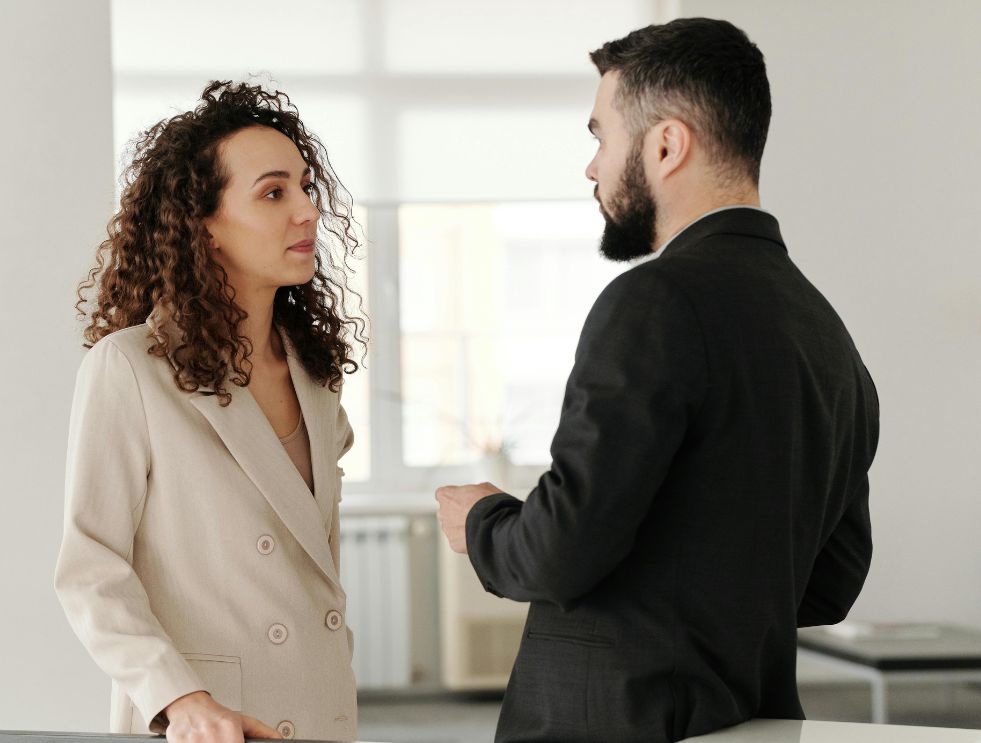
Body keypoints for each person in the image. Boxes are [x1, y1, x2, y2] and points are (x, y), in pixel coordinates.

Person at [435, 18, 879, 743]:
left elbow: (556, 553)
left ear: (666, 145)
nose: (591, 167)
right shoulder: (827, 334)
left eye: (599, 137)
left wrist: (480, 522)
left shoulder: (653, 300)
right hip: (750, 721)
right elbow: (830, 581)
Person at [55, 80, 366, 743]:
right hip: (213, 722)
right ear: (203, 223)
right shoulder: (130, 368)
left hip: (320, 709)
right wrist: (181, 699)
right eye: (273, 192)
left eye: (307, 188)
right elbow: (91, 569)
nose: (307, 211)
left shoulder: (314, 375)